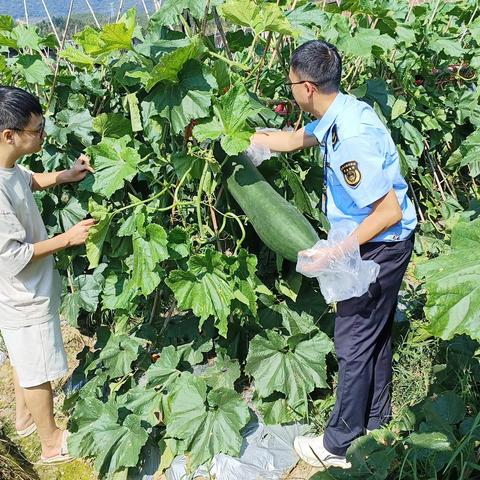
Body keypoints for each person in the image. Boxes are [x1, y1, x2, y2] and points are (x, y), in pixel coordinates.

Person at [249, 40, 417, 470]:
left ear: (306, 86)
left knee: (353, 341)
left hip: (378, 243)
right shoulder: (338, 112)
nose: (289, 91)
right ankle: (377, 423)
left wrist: (333, 253)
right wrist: (245, 143)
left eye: (289, 84)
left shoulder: (350, 138)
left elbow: (387, 211)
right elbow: (296, 139)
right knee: (374, 336)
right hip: (377, 240)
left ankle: (338, 446)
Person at [0, 86, 96, 465]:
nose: (43, 135)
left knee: (25, 357)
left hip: (25, 289)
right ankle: (52, 442)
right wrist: (67, 239)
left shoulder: (7, 166)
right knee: (37, 366)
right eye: (37, 131)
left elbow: (28, 180)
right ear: (10, 135)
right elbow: (11, 256)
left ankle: (25, 419)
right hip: (23, 292)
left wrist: (64, 176)